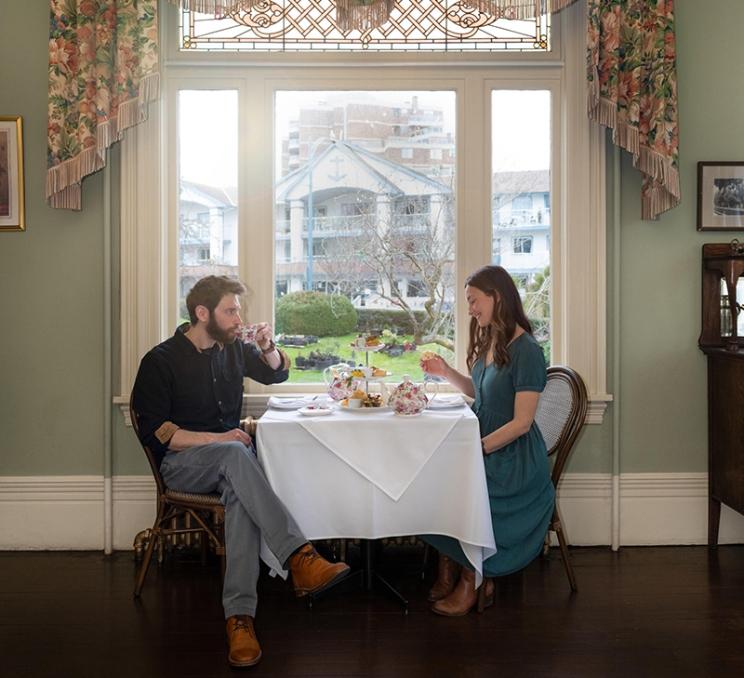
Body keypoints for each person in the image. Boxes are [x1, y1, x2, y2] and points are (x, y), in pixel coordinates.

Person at [132, 275, 350, 667]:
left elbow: (277, 372)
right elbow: (160, 434)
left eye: (239, 310)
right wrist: (218, 441)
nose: (239, 319)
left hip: (231, 467)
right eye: (231, 310)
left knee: (239, 492)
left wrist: (268, 347)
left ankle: (239, 619)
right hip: (182, 465)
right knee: (235, 454)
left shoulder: (233, 349)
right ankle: (299, 556)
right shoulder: (160, 360)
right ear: (203, 313)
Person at [420, 265, 554, 616]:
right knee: (433, 476)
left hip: (513, 457)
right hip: (482, 441)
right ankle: (450, 563)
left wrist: (476, 451)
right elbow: (480, 394)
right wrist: (446, 372)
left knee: (461, 486)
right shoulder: (493, 338)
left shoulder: (527, 350)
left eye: (474, 300)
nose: (470, 309)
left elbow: (522, 423)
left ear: (497, 296)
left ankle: (473, 579)